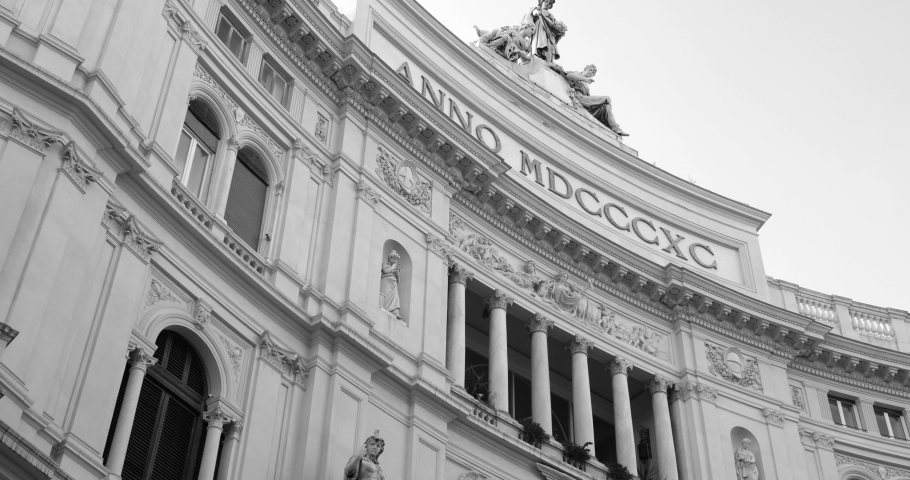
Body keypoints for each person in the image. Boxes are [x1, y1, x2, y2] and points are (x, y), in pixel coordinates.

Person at [557, 64, 629, 136]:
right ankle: (615, 128)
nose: (591, 72)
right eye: (590, 70)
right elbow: (569, 75)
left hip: (585, 102)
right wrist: (584, 79)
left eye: (593, 72)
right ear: (585, 69)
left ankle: (614, 129)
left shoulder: (586, 86)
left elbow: (589, 99)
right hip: (579, 98)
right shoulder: (578, 74)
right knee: (607, 99)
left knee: (606, 107)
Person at [379, 251, 403, 319]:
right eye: (394, 258)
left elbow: (398, 280)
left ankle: (395, 312)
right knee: (386, 294)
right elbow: (386, 271)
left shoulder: (395, 268)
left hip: (394, 284)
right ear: (389, 258)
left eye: (396, 259)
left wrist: (397, 273)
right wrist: (392, 267)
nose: (395, 261)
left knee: (395, 297)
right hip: (386, 281)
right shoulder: (384, 265)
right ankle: (386, 308)